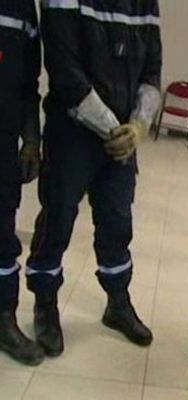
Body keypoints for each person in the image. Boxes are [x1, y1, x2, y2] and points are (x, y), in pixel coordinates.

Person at [25, 0, 162, 357]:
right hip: (72, 132)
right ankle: (45, 302)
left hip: (121, 140)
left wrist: (139, 126)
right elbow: (65, 70)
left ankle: (117, 303)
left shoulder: (145, 3)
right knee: (57, 217)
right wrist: (115, 129)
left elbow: (152, 70)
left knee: (117, 221)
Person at [0, 0, 45, 366]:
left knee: (1, 235)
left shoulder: (21, 7)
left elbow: (30, 83)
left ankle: (4, 319)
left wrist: (32, 138)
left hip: (3, 140)